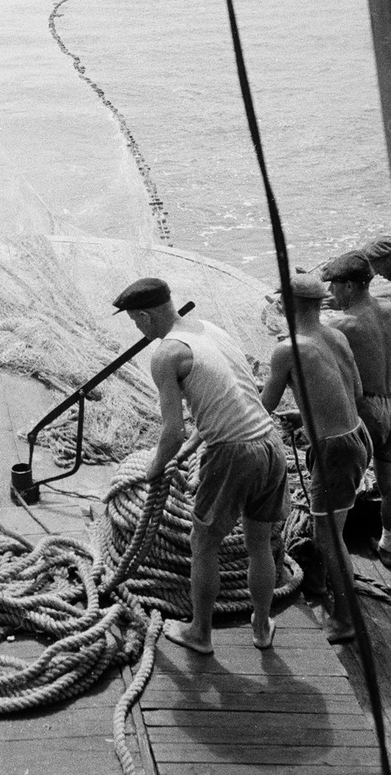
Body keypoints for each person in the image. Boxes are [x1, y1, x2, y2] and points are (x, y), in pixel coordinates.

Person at [113, 277, 289, 655]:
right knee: (259, 544)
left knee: (203, 545)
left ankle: (200, 634)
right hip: (271, 444)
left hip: (233, 455)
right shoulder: (211, 330)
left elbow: (172, 430)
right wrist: (188, 450)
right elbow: (228, 400)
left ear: (144, 316)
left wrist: (155, 467)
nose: (137, 329)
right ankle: (261, 626)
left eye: (134, 321)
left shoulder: (165, 355)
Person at [260, 273, 371, 644]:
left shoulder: (287, 348)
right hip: (357, 435)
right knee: (331, 529)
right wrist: (307, 419)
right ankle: (326, 588)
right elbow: (353, 392)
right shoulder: (335, 335)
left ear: (287, 305)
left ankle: (345, 619)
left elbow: (264, 406)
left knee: (328, 537)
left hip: (335, 452)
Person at [322, 249, 391, 564]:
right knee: (389, 481)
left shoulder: (343, 325)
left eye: (334, 284)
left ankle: (331, 553)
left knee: (340, 482)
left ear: (349, 286)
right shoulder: (387, 311)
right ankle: (388, 541)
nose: (330, 291)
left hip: (368, 412)